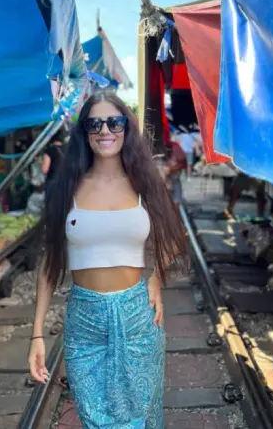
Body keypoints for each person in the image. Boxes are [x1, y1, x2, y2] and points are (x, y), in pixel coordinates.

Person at [29, 94, 186, 428]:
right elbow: (49, 264)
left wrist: (156, 278)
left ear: (126, 128)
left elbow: (175, 238)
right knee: (97, 420)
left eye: (114, 122)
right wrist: (37, 335)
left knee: (141, 419)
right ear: (85, 132)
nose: (105, 131)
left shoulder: (144, 183)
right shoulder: (67, 188)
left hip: (137, 316)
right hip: (85, 323)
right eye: (94, 123)